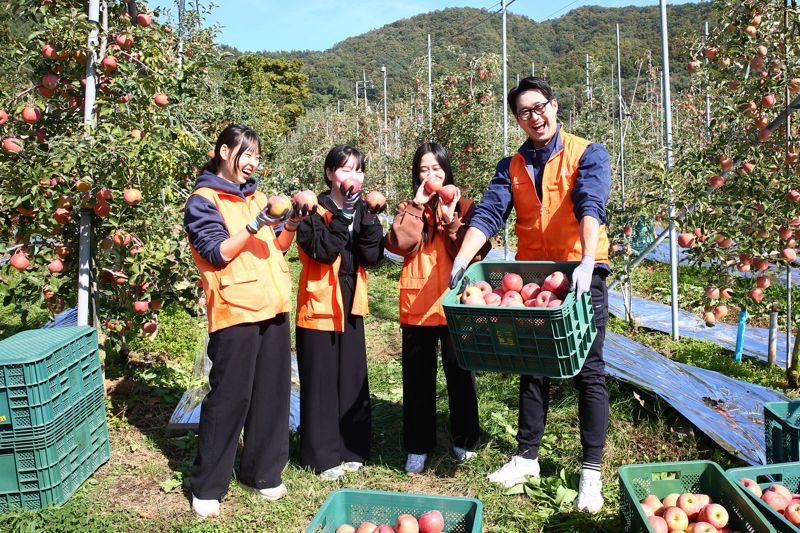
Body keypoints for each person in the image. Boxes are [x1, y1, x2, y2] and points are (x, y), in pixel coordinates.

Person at [449, 77, 611, 514]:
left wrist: (587, 261)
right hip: (533, 280)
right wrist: (462, 260)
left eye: (540, 107)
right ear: (516, 119)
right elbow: (488, 213)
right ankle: (526, 458)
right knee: (531, 365)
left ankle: (591, 472)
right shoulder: (512, 166)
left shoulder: (587, 153)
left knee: (589, 372)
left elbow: (591, 204)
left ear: (555, 106)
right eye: (524, 112)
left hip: (579, 276)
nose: (535, 117)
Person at [184, 124, 313, 518]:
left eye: (257, 155)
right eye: (247, 153)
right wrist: (257, 221)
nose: (253, 162)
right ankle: (207, 485)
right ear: (225, 151)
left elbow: (276, 248)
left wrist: (289, 224)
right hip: (235, 308)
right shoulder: (203, 200)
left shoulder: (254, 195)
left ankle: (262, 473)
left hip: (272, 305)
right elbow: (216, 251)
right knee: (229, 397)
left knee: (272, 394)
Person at [385, 142, 488, 474]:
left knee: (461, 377)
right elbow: (400, 244)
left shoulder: (467, 207)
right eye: (424, 170)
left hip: (458, 304)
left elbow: (476, 253)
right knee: (417, 381)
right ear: (416, 176)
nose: (431, 175)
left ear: (447, 171)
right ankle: (417, 446)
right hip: (418, 305)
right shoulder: (408, 208)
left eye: (437, 169)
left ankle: (465, 440)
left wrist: (451, 222)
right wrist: (417, 207)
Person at [294, 145, 385, 481]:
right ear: (331, 174)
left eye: (359, 170)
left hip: (350, 298)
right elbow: (321, 251)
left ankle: (352, 449)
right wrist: (343, 217)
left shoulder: (362, 208)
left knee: (351, 375)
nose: (354, 176)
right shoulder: (311, 210)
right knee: (320, 379)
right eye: (346, 169)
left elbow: (372, 256)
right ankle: (322, 455)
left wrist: (370, 219)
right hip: (319, 301)